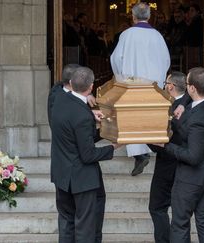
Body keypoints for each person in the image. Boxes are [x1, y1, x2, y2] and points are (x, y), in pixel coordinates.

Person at [50, 66, 121, 243]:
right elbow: (88, 154)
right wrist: (113, 147)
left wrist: (92, 118)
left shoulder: (58, 99)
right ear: (91, 87)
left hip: (61, 174)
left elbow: (75, 134)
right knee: (84, 228)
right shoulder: (83, 115)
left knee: (66, 223)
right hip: (81, 179)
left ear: (71, 84)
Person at [157, 67, 204, 243]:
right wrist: (182, 104)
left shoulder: (197, 120)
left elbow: (193, 156)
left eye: (187, 85)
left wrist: (166, 145)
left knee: (180, 223)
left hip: (192, 177)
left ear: (192, 88)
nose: (186, 88)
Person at [110, 2, 171, 176]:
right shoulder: (158, 36)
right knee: (150, 115)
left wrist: (120, 76)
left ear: (133, 16)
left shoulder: (127, 35)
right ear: (149, 17)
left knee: (132, 115)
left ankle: (140, 154)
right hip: (153, 85)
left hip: (132, 83)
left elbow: (116, 59)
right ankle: (154, 146)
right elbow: (166, 61)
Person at [147, 72, 187, 243]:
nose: (164, 86)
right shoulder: (192, 104)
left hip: (167, 164)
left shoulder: (168, 108)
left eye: (166, 83)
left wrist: (144, 137)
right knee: (181, 211)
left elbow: (158, 143)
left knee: (157, 207)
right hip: (186, 163)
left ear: (170, 86)